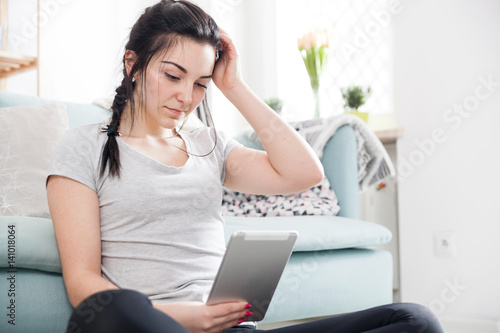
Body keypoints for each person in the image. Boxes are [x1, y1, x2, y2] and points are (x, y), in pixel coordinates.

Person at [46, 1, 444, 332]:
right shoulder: (84, 146)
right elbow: (84, 286)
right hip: (151, 324)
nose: (187, 97)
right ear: (132, 63)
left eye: (201, 83)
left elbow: (304, 174)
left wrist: (233, 86)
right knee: (120, 308)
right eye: (172, 75)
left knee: (413, 319)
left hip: (233, 329)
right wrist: (189, 317)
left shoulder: (209, 144)